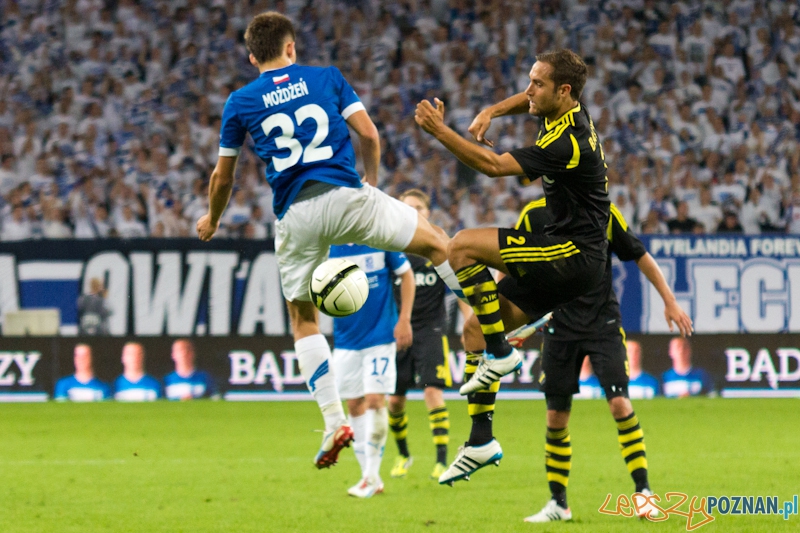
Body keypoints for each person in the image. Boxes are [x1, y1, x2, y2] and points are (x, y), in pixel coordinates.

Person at [195, 11, 465, 470]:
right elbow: (369, 134)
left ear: (250, 56)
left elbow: (224, 176)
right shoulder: (327, 77)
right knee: (438, 243)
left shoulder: (239, 102)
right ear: (291, 47)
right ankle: (496, 331)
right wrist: (372, 183)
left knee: (302, 319)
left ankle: (332, 422)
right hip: (346, 197)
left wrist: (213, 218)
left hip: (296, 216)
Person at [439, 198, 693, 524]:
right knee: (556, 417)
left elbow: (638, 253)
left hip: (602, 324)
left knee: (619, 405)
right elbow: (512, 267)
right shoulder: (533, 214)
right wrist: (504, 323)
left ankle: (643, 493)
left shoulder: (601, 210)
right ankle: (559, 504)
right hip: (558, 326)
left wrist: (669, 301)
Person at [415, 49, 611, 396]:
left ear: (563, 90)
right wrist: (492, 110)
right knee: (475, 329)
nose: (529, 90)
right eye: (530, 81)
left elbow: (493, 168)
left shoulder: (568, 143)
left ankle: (501, 352)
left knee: (461, 245)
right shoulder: (564, 107)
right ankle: (480, 442)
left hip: (572, 256)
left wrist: (439, 132)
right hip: (571, 253)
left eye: (538, 83)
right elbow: (529, 101)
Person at [329, 243, 414, 498]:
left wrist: (404, 319)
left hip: (381, 336)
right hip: (345, 339)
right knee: (354, 405)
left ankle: (370, 477)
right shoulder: (329, 245)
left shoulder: (378, 239)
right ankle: (370, 476)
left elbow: (407, 275)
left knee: (376, 400)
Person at [388, 189, 460, 481]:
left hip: (431, 330)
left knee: (433, 392)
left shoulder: (439, 247)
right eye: (409, 207)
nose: (415, 211)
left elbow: (460, 289)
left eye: (420, 207)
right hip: (397, 333)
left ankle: (442, 461)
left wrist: (470, 321)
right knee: (394, 402)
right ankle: (403, 454)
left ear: (429, 213)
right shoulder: (390, 248)